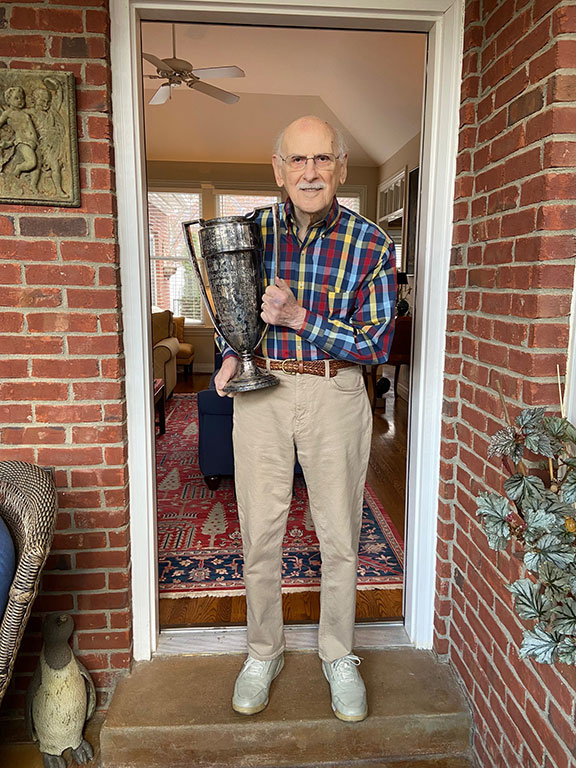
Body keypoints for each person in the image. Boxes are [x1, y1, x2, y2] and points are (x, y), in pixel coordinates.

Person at [214, 115, 396, 722]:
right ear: (279, 169)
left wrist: (300, 320)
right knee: (259, 533)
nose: (311, 172)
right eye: (298, 160)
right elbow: (232, 306)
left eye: (323, 160)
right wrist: (231, 353)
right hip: (261, 392)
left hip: (335, 393)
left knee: (340, 535)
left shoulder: (372, 243)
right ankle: (263, 651)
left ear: (340, 168)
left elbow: (375, 345)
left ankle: (338, 654)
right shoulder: (249, 231)